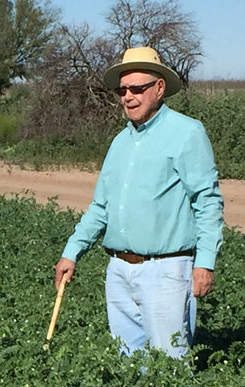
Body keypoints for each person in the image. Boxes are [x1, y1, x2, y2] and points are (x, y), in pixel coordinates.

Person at [54, 46, 223, 359]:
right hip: (118, 269)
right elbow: (101, 207)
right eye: (122, 90)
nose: (128, 96)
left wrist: (205, 263)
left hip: (167, 269)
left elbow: (208, 202)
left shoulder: (187, 133)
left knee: (169, 364)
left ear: (159, 88)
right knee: (128, 362)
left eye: (137, 88)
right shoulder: (120, 142)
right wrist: (71, 252)